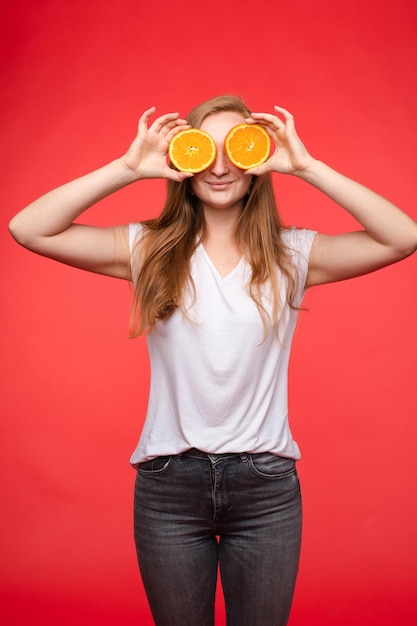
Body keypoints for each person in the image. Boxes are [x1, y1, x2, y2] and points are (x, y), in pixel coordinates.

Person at [8, 94, 417, 626]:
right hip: (168, 485)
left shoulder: (291, 256)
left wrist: (308, 167)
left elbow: (404, 236)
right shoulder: (147, 250)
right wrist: (128, 169)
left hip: (265, 486)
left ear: (258, 164)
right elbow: (28, 227)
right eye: (205, 150)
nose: (221, 166)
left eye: (238, 150)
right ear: (183, 159)